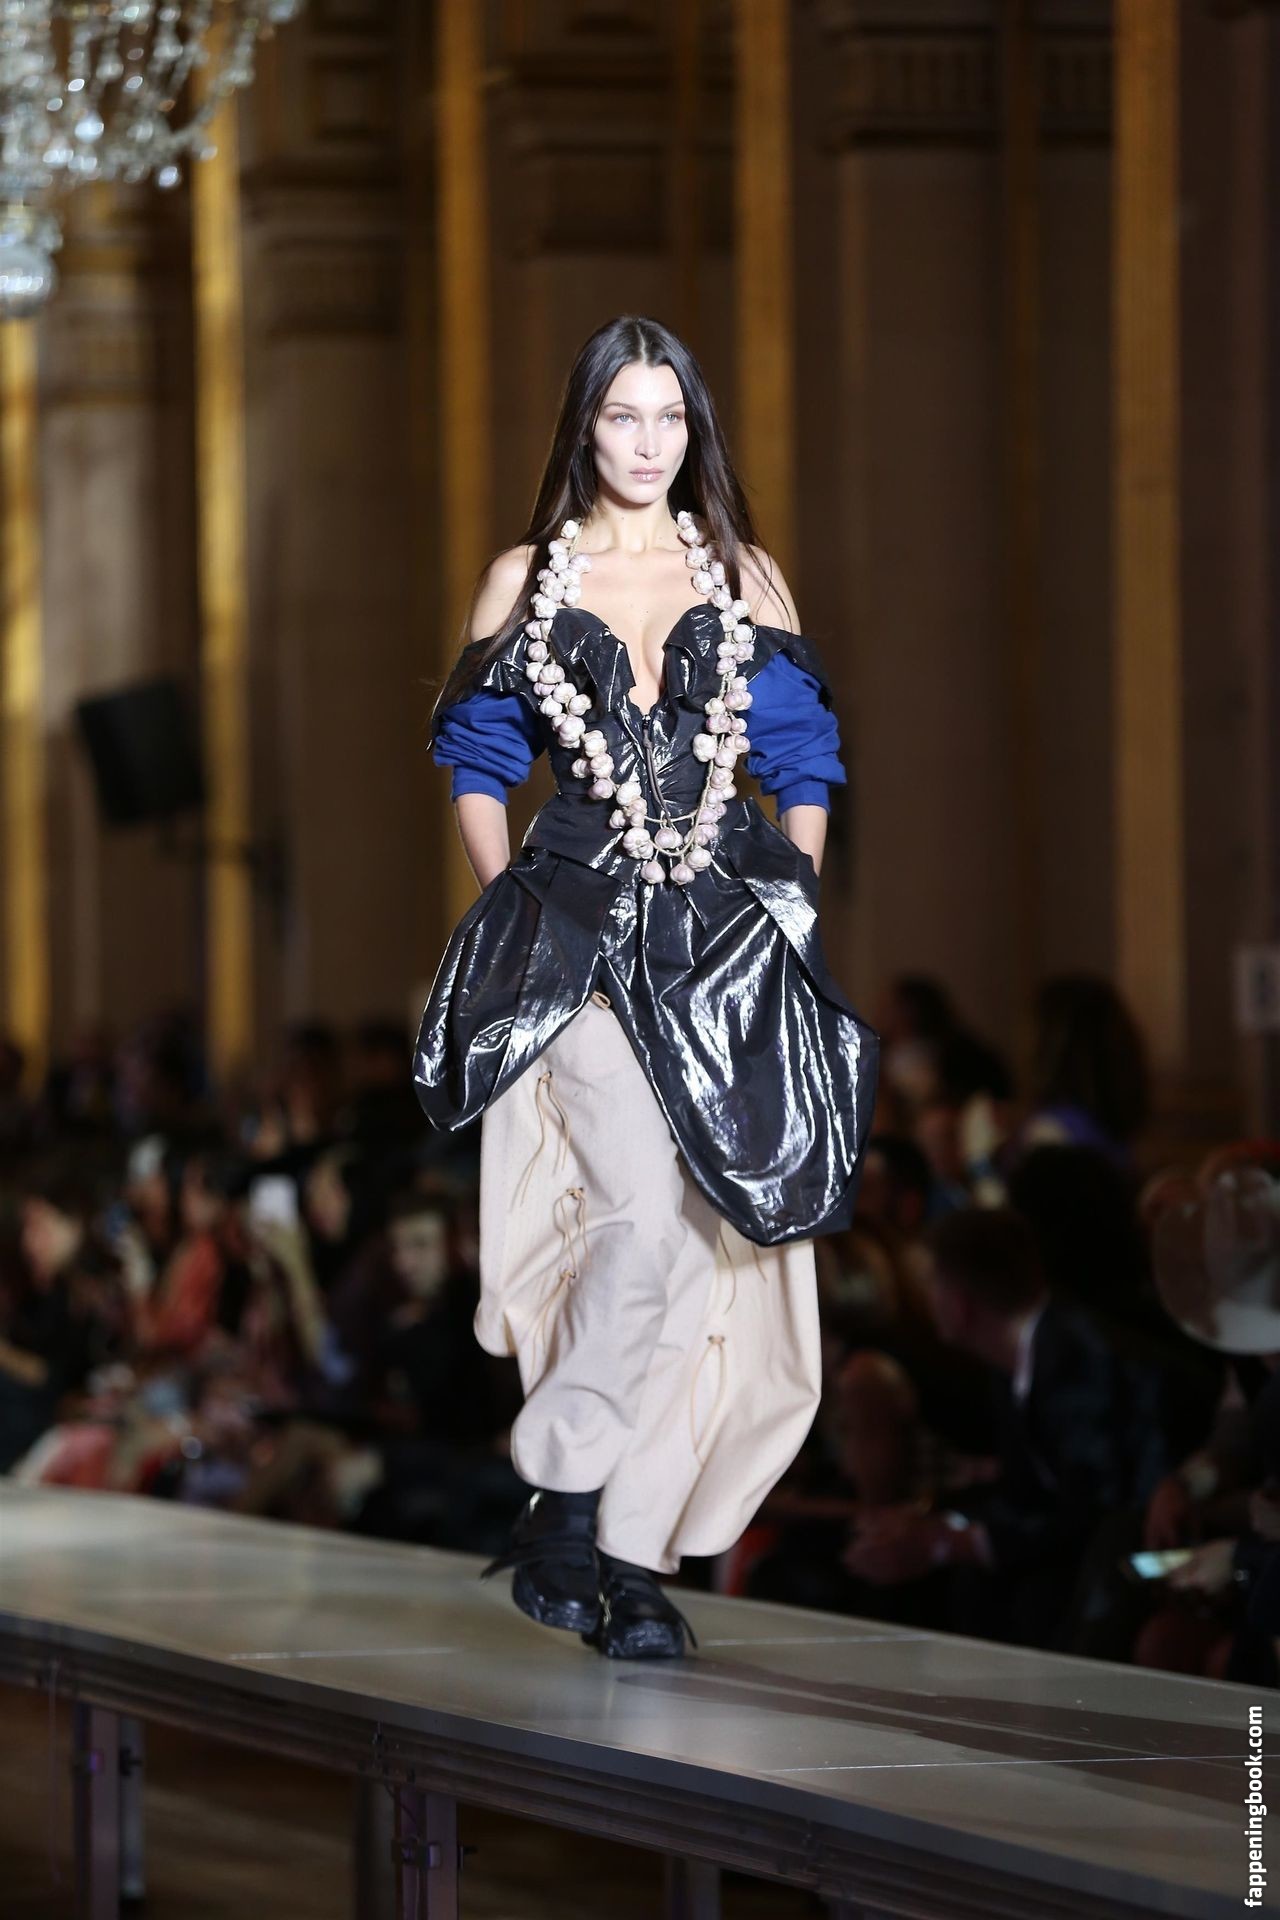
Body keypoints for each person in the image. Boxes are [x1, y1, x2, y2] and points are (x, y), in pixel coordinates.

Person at [412, 315, 878, 1658]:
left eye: (669, 417)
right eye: (623, 416)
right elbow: (480, 755)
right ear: (586, 426)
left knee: (716, 1245)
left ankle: (622, 1557)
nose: (647, 442)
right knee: (640, 1213)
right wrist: (509, 898)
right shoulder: (527, 578)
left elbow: (801, 758)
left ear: (694, 429)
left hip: (727, 935)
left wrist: (789, 911)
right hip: (575, 933)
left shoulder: (742, 574)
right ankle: (564, 1497)